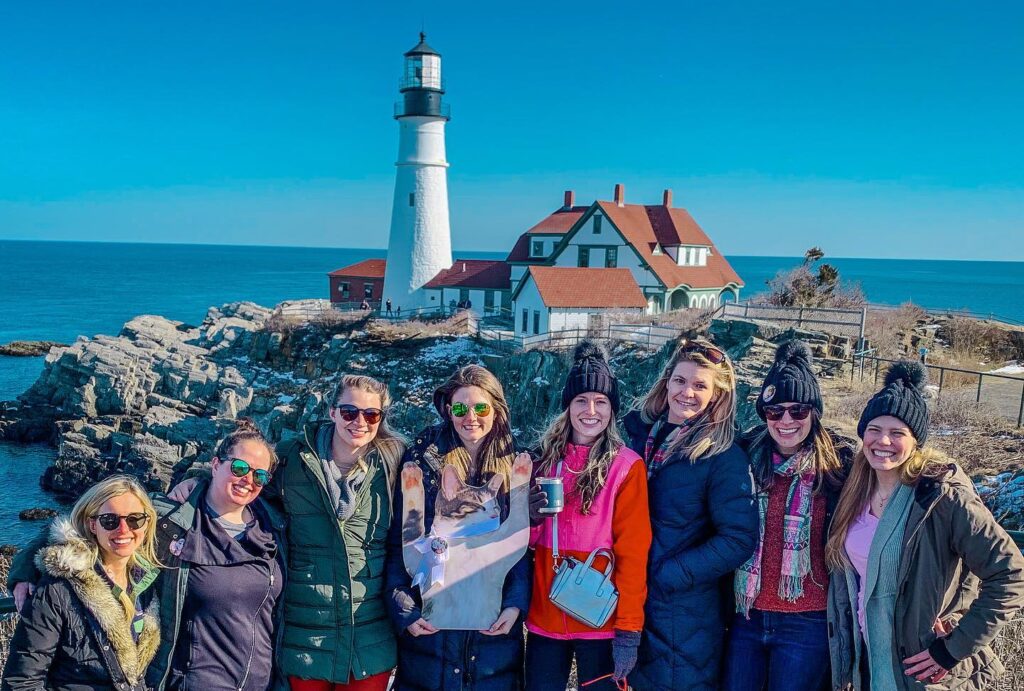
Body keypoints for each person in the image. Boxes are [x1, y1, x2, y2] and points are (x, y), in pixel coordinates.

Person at [826, 361, 1024, 690]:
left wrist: (952, 648)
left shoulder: (940, 497)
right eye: (874, 429)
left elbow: (1011, 574)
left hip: (922, 671)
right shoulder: (856, 491)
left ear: (916, 441)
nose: (883, 440)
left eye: (897, 433)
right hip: (870, 666)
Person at [622, 338, 758, 690]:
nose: (687, 392)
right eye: (681, 381)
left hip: (685, 613)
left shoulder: (723, 456)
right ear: (667, 381)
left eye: (701, 385)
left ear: (717, 395)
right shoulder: (639, 438)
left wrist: (670, 575)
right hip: (634, 598)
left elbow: (738, 539)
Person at [385, 364, 531, 690]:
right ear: (449, 411)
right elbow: (402, 542)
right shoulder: (423, 459)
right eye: (461, 408)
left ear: (496, 410)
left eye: (480, 407)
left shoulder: (514, 463)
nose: (471, 417)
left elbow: (519, 549)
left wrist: (515, 604)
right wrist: (404, 609)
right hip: (432, 630)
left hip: (491, 633)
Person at [721, 340, 855, 691]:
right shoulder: (742, 455)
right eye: (774, 410)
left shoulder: (841, 466)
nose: (785, 420)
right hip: (745, 615)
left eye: (798, 410)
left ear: (815, 412)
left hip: (807, 621)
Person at [526, 342, 652, 690]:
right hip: (545, 612)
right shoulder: (542, 461)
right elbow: (526, 542)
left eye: (601, 402)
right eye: (581, 400)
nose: (590, 410)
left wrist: (628, 629)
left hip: (601, 618)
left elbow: (633, 552)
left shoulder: (626, 467)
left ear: (612, 410)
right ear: (567, 406)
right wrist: (529, 519)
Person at [274, 374, 406, 691]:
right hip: (306, 635)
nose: (359, 422)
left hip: (369, 637)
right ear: (332, 412)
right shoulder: (292, 458)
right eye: (349, 412)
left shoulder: (395, 464)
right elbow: (242, 477)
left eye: (371, 414)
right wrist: (196, 482)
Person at [3, 475, 162, 691]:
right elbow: (21, 682)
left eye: (135, 519)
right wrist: (22, 572)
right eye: (110, 521)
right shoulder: (58, 590)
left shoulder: (148, 583)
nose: (124, 530)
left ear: (147, 523)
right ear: (93, 525)